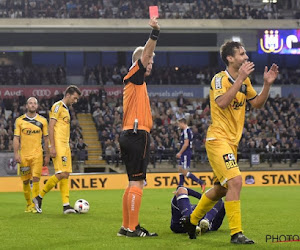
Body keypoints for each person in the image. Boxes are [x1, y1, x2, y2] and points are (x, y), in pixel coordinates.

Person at [181, 41, 279, 244]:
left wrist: (267, 84)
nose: (245, 57)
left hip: (231, 143)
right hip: (218, 139)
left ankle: (191, 221)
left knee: (221, 189)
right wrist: (241, 78)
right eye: (241, 54)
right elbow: (222, 102)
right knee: (235, 181)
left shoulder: (246, 82)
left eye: (245, 53)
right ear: (230, 58)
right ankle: (236, 233)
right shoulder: (219, 79)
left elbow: (257, 104)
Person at [117, 17, 160, 238]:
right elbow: (145, 55)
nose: (151, 64)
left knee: (133, 182)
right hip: (136, 133)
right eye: (149, 61)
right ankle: (133, 228)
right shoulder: (135, 74)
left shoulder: (135, 82)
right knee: (137, 182)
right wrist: (155, 34)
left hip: (129, 133)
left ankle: (127, 226)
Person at [33, 85, 81, 214]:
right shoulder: (57, 106)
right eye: (74, 98)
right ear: (68, 95)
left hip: (65, 145)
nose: (75, 101)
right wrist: (51, 146)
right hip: (58, 144)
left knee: (66, 174)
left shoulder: (66, 109)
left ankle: (66, 205)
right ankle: (39, 197)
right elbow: (51, 126)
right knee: (62, 173)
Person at [13, 97, 49, 213]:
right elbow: (16, 138)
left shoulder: (43, 121)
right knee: (25, 181)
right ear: (26, 106)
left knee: (36, 179)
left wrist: (47, 155)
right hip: (24, 155)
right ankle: (28, 204)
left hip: (37, 155)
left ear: (37, 106)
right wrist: (16, 153)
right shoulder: (20, 120)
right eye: (30, 103)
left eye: (34, 103)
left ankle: (35, 205)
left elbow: (46, 139)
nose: (32, 105)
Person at [176, 118, 206, 191]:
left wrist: (180, 152)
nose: (178, 125)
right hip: (185, 153)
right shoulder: (185, 131)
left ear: (183, 123)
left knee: (184, 171)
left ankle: (201, 182)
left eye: (179, 124)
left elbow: (186, 144)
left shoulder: (186, 131)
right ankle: (180, 187)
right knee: (180, 169)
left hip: (186, 153)